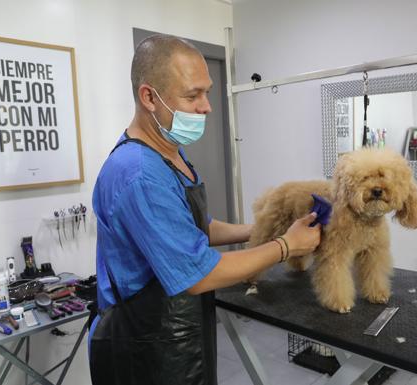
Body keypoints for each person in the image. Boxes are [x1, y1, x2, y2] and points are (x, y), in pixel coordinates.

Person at [89, 34, 322, 385]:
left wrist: (262, 229)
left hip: (178, 334)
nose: (207, 106)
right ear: (149, 97)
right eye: (192, 94)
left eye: (207, 92)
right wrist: (285, 246)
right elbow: (200, 273)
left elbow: (197, 227)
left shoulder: (169, 152)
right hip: (145, 351)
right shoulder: (139, 174)